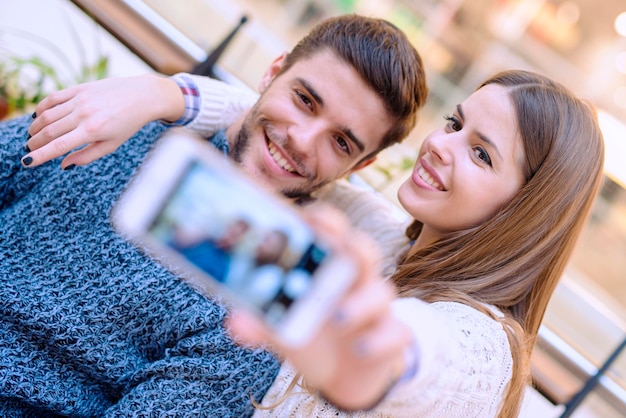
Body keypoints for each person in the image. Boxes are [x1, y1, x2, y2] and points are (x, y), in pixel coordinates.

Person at [0, 15, 426, 417]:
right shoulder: (130, 120)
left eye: (341, 143)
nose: (301, 139)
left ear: (358, 168)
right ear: (272, 72)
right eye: (304, 100)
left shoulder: (260, 311)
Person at [223, 70, 605, 417]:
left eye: (481, 154)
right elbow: (274, 130)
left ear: (524, 213)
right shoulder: (382, 242)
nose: (440, 144)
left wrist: (376, 362)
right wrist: (175, 95)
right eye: (454, 123)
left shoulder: (483, 348)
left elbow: (426, 357)